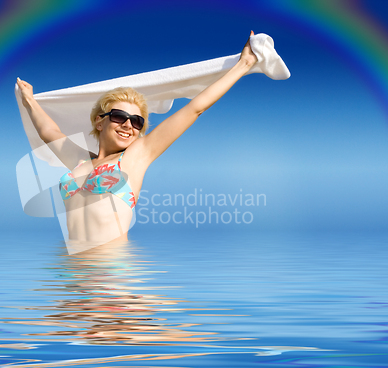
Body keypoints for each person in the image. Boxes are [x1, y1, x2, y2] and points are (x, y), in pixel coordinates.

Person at [17, 32, 258, 247]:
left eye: (137, 121)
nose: (128, 125)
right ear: (99, 122)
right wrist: (29, 100)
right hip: (74, 278)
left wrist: (243, 64)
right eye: (120, 116)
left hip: (112, 279)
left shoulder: (135, 157)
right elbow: (50, 132)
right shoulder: (78, 161)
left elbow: (194, 109)